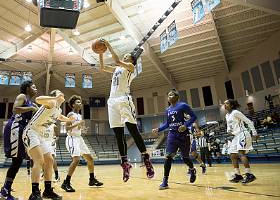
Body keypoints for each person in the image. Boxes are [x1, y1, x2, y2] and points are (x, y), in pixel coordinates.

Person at [99, 40, 154, 182]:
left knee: (133, 130)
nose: (125, 57)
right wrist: (100, 53)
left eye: (127, 56)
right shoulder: (117, 69)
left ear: (132, 60)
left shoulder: (130, 67)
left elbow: (116, 60)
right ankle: (125, 164)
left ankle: (146, 159)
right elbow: (103, 67)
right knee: (118, 134)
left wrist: (108, 45)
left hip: (124, 100)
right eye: (125, 56)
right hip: (112, 101)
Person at [22, 90, 76, 200]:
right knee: (39, 160)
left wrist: (69, 119)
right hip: (31, 131)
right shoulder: (51, 102)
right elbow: (38, 99)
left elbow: (60, 117)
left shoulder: (58, 109)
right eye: (59, 93)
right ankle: (35, 193)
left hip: (40, 135)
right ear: (53, 96)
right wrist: (55, 99)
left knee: (50, 160)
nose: (62, 94)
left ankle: (47, 191)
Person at [0, 81, 39, 200]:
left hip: (23, 130)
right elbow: (15, 110)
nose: (36, 89)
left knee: (18, 161)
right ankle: (4, 191)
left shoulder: (32, 103)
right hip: (15, 128)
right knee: (16, 161)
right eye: (34, 87)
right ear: (27, 89)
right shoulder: (22, 96)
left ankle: (5, 189)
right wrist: (31, 108)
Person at [152, 89, 197, 190]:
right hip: (172, 135)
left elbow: (193, 117)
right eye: (168, 95)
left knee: (185, 157)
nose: (169, 96)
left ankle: (192, 169)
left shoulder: (183, 106)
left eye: (172, 95)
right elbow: (167, 124)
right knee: (168, 157)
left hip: (183, 135)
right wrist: (158, 129)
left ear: (177, 97)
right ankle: (165, 181)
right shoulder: (167, 110)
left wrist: (185, 126)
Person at [61, 95, 103, 192]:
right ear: (73, 105)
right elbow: (67, 129)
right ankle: (66, 182)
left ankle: (92, 179)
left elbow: (78, 129)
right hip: (72, 138)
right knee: (76, 160)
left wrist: (83, 129)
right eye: (78, 102)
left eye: (80, 102)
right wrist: (78, 124)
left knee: (90, 159)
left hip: (79, 138)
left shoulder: (79, 116)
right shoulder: (70, 114)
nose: (80, 104)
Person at [224, 99, 259, 184]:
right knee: (232, 155)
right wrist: (229, 130)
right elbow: (229, 126)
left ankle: (249, 174)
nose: (225, 105)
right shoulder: (227, 115)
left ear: (232, 105)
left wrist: (254, 133)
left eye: (227, 103)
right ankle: (238, 175)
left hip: (242, 133)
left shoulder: (236, 112)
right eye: (224, 104)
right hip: (236, 136)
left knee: (241, 154)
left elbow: (248, 121)